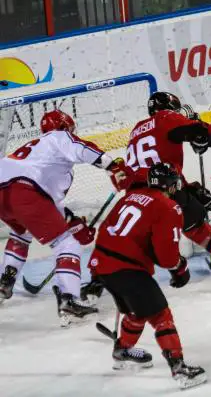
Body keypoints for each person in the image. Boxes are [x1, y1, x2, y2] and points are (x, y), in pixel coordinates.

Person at [105, 91, 211, 280]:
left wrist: (189, 188)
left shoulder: (137, 129)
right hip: (165, 190)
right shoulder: (166, 117)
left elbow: (153, 163)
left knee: (131, 239)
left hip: (135, 196)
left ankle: (102, 281)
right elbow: (198, 133)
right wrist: (198, 127)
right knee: (196, 228)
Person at [0, 109, 125, 325]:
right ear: (64, 127)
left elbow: (46, 208)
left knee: (23, 232)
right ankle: (69, 299)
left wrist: (72, 222)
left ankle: (5, 282)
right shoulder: (58, 137)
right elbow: (82, 148)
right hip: (24, 190)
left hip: (4, 192)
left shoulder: (37, 153)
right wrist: (113, 167)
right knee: (67, 245)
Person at [89, 163, 206, 390]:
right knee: (161, 315)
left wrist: (97, 268)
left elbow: (106, 228)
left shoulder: (130, 196)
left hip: (101, 261)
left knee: (136, 310)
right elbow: (166, 256)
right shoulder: (169, 207)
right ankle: (180, 368)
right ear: (169, 185)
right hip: (127, 268)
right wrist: (179, 267)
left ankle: (123, 350)